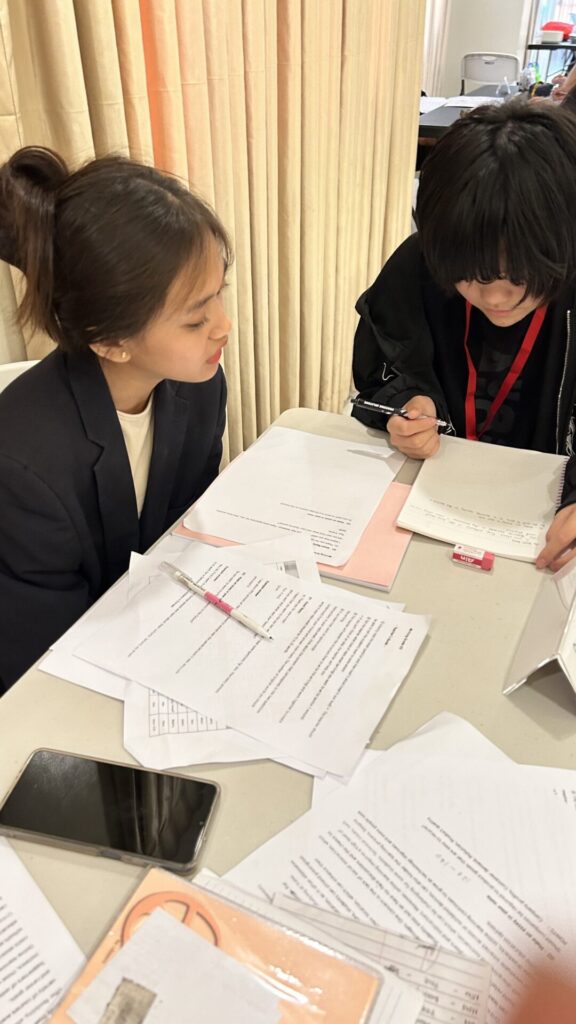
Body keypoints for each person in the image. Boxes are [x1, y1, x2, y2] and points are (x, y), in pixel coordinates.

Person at [0, 147, 232, 692]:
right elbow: (38, 663)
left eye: (219, 295)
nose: (223, 326)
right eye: (195, 320)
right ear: (110, 342)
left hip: (157, 636)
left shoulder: (198, 388)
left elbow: (179, 536)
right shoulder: (22, 467)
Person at [352, 99, 576, 573]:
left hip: (547, 532)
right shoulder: (422, 263)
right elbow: (378, 371)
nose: (494, 297)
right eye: (469, 274)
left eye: (520, 276)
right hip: (435, 512)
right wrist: (408, 405)